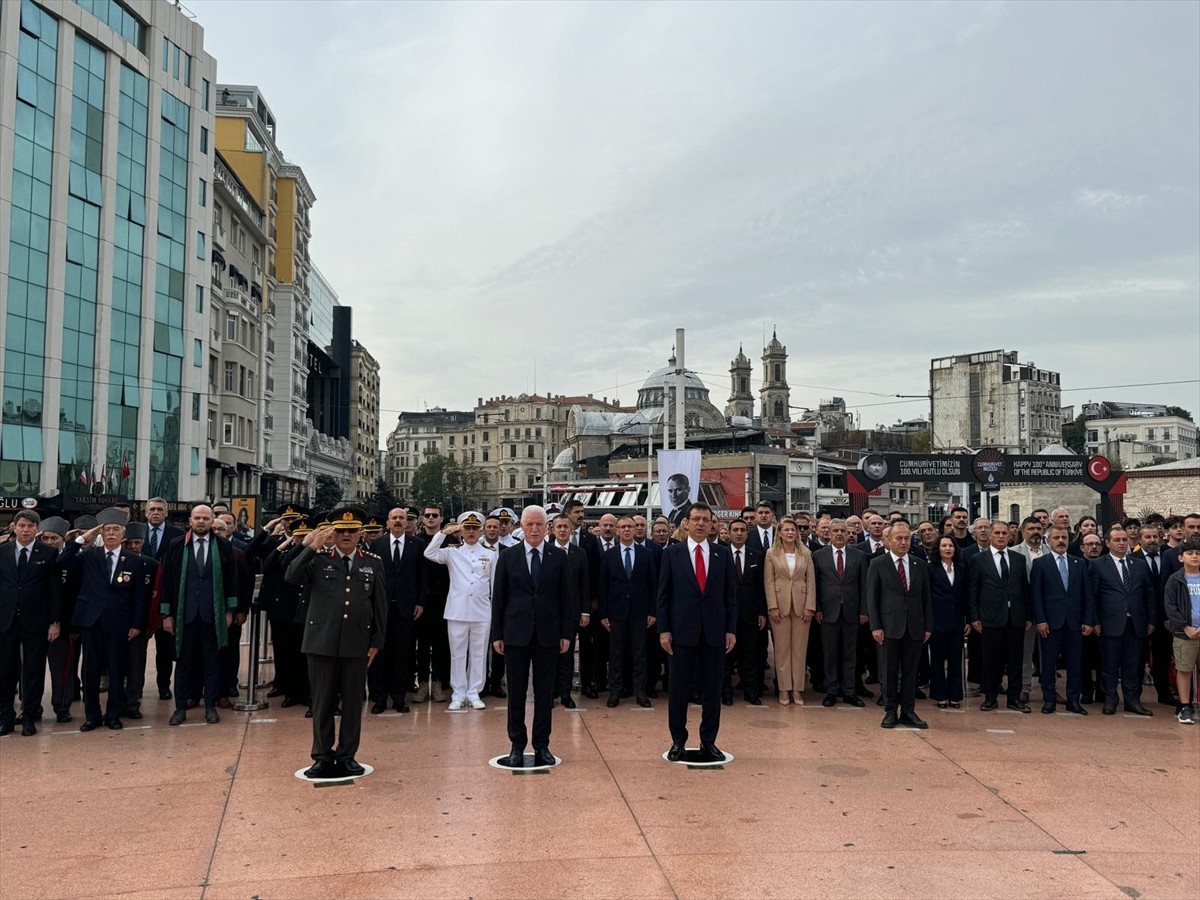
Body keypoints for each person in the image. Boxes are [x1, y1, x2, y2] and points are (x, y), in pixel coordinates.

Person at [286, 508, 388, 778]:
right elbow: (291, 576)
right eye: (341, 531)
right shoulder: (318, 560)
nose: (346, 535)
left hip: (357, 643)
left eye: (352, 530)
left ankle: (347, 755)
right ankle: (321, 755)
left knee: (353, 703)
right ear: (333, 532)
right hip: (321, 642)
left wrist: (377, 640)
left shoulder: (373, 562)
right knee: (322, 703)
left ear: (360, 534)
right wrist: (310, 547)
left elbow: (380, 605)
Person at [490, 506, 575, 767]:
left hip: (548, 634)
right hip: (515, 634)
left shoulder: (558, 557)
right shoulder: (508, 556)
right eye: (530, 525)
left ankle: (542, 744)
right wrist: (498, 634)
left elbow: (566, 599)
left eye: (540, 525)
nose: (535, 529)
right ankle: (516, 744)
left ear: (546, 527)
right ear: (522, 528)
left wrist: (566, 633)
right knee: (516, 691)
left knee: (544, 693)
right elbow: (499, 598)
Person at [657, 503, 737, 762]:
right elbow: (664, 596)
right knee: (678, 689)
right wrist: (664, 630)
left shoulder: (722, 555)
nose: (701, 524)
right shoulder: (673, 554)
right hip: (681, 633)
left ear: (712, 524)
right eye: (696, 519)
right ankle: (678, 740)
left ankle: (709, 741)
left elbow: (730, 597)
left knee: (712, 691)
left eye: (706, 519)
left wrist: (730, 630)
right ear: (687, 523)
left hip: (714, 632)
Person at [56, 509, 148, 731]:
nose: (111, 533)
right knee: (91, 671)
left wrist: (137, 624)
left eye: (116, 529)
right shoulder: (89, 555)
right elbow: (62, 561)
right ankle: (92, 716)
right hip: (91, 621)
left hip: (119, 623)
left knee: (116, 670)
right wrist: (83, 538)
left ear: (123, 534)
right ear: (101, 533)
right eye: (107, 529)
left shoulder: (133, 561)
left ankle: (113, 714)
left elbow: (139, 597)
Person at [159, 505, 240, 726]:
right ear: (190, 520)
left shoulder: (223, 546)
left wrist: (230, 611)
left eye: (205, 518)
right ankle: (180, 708)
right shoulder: (176, 545)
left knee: (212, 662)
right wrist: (166, 614)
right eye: (197, 518)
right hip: (184, 615)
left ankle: (211, 706)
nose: (201, 522)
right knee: (184, 663)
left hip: (212, 615)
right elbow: (166, 581)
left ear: (212, 520)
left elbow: (232, 580)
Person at [424, 511, 497, 710]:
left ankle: (474, 692)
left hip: (481, 611)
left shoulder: (490, 554)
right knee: (457, 654)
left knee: (479, 653)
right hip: (457, 611)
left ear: (480, 530)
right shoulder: (452, 552)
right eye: (467, 528)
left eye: (475, 528)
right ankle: (458, 693)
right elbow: (429, 553)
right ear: (461, 531)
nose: (471, 532)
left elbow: (495, 584)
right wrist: (444, 533)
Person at [0, 510, 63, 736]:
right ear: (14, 528)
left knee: (33, 671)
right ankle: (5, 717)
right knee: (5, 671)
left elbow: (55, 591)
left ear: (38, 530)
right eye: (22, 525)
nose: (26, 529)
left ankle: (29, 716)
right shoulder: (3, 552)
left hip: (36, 622)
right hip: (6, 622)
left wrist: (55, 622)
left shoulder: (48, 554)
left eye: (30, 526)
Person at [866, 521, 932, 729]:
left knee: (911, 672)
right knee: (889, 671)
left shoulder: (918, 564)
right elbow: (872, 598)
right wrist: (876, 626)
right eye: (899, 538)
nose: (904, 542)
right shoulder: (878, 564)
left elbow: (926, 598)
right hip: (889, 627)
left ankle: (908, 711)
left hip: (914, 627)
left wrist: (927, 626)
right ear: (888, 540)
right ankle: (890, 711)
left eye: (907, 539)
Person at [1090, 525, 1155, 716]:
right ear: (1107, 543)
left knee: (1133, 665)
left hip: (1136, 623)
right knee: (1110, 665)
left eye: (1124, 540)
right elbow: (1092, 596)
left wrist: (1151, 620)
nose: (1121, 543)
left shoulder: (1140, 565)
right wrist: (1094, 621)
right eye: (1117, 540)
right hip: (1110, 623)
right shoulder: (1098, 565)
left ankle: (1133, 701)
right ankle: (1110, 700)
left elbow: (1149, 594)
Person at [367, 507, 426, 714]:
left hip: (406, 608)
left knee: (402, 654)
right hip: (381, 608)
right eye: (395, 518)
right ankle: (380, 698)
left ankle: (399, 698)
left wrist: (420, 602)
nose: (399, 521)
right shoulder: (377, 544)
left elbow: (422, 576)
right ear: (388, 522)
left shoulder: (417, 544)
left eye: (402, 518)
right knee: (380, 653)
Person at [1030, 524, 1094, 715]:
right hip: (1050, 622)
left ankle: (1073, 700)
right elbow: (1036, 595)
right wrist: (1040, 620)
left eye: (1064, 538)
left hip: (1074, 622)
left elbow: (1087, 595)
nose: (1060, 541)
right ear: (1048, 541)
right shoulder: (1041, 564)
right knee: (1049, 663)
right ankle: (1049, 699)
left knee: (1075, 663)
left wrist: (1088, 620)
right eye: (1056, 538)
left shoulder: (1079, 563)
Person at [969, 521, 1032, 713]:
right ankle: (990, 697)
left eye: (1005, 533)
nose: (1001, 536)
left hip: (1016, 617)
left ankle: (1014, 697)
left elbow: (1025, 590)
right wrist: (974, 616)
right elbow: (973, 591)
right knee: (991, 660)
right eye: (997, 533)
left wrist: (1028, 614)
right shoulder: (978, 559)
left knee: (1015, 660)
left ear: (1010, 536)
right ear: (989, 535)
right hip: (990, 617)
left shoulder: (1019, 559)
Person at [597, 516, 658, 708]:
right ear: (617, 530)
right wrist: (604, 614)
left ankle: (640, 692)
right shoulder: (609, 555)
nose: (626, 530)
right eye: (622, 527)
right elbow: (603, 587)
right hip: (616, 613)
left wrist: (652, 611)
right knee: (616, 654)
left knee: (639, 654)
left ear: (635, 530)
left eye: (630, 527)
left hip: (640, 613)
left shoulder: (646, 554)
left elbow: (652, 585)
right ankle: (615, 692)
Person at [812, 519, 867, 708]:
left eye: (843, 530)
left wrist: (863, 611)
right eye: (835, 530)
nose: (839, 534)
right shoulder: (818, 556)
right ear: (829, 533)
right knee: (829, 653)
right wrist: (817, 607)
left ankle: (849, 691)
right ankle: (831, 690)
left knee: (850, 653)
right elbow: (816, 585)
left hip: (852, 611)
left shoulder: (859, 556)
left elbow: (864, 586)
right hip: (828, 612)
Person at [764, 518, 816, 705]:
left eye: (793, 529)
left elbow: (810, 581)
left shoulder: (806, 554)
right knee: (782, 650)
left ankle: (797, 690)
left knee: (799, 650)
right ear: (780, 533)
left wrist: (810, 606)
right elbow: (769, 582)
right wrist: (773, 607)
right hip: (780, 606)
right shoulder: (772, 554)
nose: (790, 532)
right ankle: (784, 689)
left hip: (802, 607)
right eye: (786, 529)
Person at [144, 497, 183, 701]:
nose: (156, 513)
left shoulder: (178, 535)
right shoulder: (136, 533)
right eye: (152, 509)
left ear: (166, 513)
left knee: (165, 648)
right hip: (141, 599)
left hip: (166, 598)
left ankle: (164, 686)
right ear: (146, 513)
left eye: (160, 509)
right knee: (136, 647)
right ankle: (133, 686)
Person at [723, 519, 766, 705]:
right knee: (726, 657)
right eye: (735, 530)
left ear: (747, 534)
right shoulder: (720, 554)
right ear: (730, 533)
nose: (739, 533)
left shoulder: (757, 556)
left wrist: (762, 612)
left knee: (750, 656)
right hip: (726, 616)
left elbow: (761, 587)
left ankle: (751, 692)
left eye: (742, 530)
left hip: (750, 614)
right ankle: (725, 693)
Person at [550, 515, 591, 708]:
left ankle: (566, 694)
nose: (562, 530)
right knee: (550, 655)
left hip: (572, 613)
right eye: (559, 527)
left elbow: (584, 584)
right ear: (552, 529)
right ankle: (551, 692)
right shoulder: (546, 551)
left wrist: (585, 611)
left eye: (566, 526)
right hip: (549, 613)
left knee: (567, 655)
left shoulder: (579, 553)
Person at [119, 522, 159, 720]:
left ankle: (132, 703)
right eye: (130, 543)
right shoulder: (115, 561)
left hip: (140, 624)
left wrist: (149, 624)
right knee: (116, 664)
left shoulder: (151, 564)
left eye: (138, 542)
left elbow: (153, 596)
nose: (133, 546)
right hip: (116, 622)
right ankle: (117, 701)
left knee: (136, 666)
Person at [413, 505, 451, 704]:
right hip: (422, 602)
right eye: (427, 515)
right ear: (422, 518)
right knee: (422, 644)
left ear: (441, 518)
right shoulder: (416, 542)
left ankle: (438, 683)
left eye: (434, 515)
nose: (430, 518)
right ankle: (422, 683)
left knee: (441, 644)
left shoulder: (450, 541)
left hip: (444, 600)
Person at [1163, 537, 1200, 724]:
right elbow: (1170, 606)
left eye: (1198, 554)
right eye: (1190, 553)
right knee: (1184, 670)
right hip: (1184, 633)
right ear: (1181, 558)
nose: (1194, 556)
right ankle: (1185, 706)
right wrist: (1185, 627)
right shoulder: (1175, 579)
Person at [928, 536, 967, 709]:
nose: (948, 548)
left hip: (957, 621)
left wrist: (967, 618)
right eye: (944, 545)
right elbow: (927, 596)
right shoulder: (930, 569)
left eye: (950, 545)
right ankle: (940, 695)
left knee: (956, 660)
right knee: (937, 660)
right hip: (937, 622)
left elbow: (967, 595)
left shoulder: (962, 569)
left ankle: (955, 695)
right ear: (938, 548)